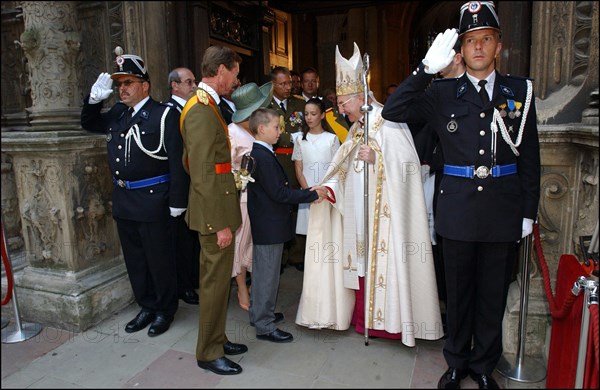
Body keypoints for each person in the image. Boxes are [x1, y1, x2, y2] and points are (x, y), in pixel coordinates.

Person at [381, 2, 540, 388]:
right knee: (458, 294)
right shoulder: (442, 92)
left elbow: (531, 157)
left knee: (491, 297)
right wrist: (425, 69)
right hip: (457, 211)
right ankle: (456, 364)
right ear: (461, 51)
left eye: (486, 39)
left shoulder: (518, 91)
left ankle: (483, 367)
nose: (479, 47)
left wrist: (528, 212)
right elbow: (393, 111)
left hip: (502, 211)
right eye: (471, 41)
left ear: (498, 45)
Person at [299, 42, 444, 340]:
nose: (340, 110)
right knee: (360, 264)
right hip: (359, 212)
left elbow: (408, 167)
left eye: (344, 103)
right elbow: (342, 165)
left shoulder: (388, 119)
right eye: (339, 103)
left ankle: (389, 325)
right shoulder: (356, 127)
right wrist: (327, 187)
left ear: (360, 97)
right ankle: (362, 318)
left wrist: (378, 159)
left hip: (386, 215)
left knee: (385, 264)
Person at [81, 49, 187, 337]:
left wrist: (178, 202)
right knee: (136, 260)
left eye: (128, 83)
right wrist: (94, 101)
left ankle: (165, 310)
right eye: (119, 85)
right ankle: (147, 305)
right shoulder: (117, 112)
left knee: (159, 259)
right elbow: (89, 124)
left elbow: (178, 161)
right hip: (125, 200)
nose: (122, 89)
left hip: (155, 200)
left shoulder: (164, 115)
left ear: (145, 85)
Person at [179, 46, 247, 376]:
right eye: (235, 74)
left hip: (218, 207)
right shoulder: (200, 109)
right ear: (220, 70)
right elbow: (201, 171)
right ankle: (208, 352)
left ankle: (217, 338)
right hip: (213, 216)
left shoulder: (209, 106)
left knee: (220, 284)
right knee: (213, 285)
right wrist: (218, 222)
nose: (237, 80)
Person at [246, 107, 327, 343]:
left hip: (267, 222)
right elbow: (279, 193)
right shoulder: (262, 156)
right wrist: (310, 195)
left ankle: (260, 313)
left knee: (263, 273)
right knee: (267, 276)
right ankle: (264, 325)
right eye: (275, 127)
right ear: (261, 129)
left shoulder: (261, 152)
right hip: (269, 224)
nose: (280, 131)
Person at [410, 43, 466, 323]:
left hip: (470, 187)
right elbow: (420, 127)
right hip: (441, 178)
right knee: (441, 246)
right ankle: (445, 305)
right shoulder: (436, 93)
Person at [228, 81, 274, 311]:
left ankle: (256, 287)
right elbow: (225, 169)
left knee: (255, 243)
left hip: (262, 199)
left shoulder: (258, 130)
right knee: (241, 242)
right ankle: (241, 288)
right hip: (243, 198)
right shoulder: (232, 133)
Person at [166, 67, 200, 306]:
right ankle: (184, 285)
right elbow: (175, 156)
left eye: (194, 81)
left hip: (193, 184)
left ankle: (191, 279)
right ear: (174, 86)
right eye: (189, 82)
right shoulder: (170, 113)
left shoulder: (190, 109)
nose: (194, 86)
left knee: (192, 238)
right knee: (181, 240)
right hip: (180, 186)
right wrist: (177, 198)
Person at [268, 66, 306, 270]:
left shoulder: (298, 103)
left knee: (298, 207)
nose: (288, 87)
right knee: (280, 209)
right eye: (283, 84)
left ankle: (297, 255)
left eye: (290, 83)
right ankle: (281, 257)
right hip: (276, 160)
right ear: (273, 84)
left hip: (297, 161)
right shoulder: (266, 105)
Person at [292, 97, 340, 245]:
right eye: (306, 114)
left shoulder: (332, 139)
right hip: (308, 192)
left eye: (313, 114)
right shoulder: (300, 140)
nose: (309, 118)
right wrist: (309, 193)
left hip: (327, 192)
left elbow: (336, 169)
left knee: (326, 234)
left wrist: (324, 191)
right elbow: (299, 169)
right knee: (310, 236)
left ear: (322, 115)